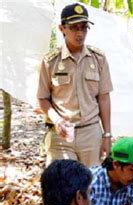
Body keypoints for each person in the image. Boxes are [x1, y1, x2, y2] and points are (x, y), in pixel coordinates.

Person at [38, 3, 112, 167]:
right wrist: (57, 120)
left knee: (90, 185)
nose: (80, 33)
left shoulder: (98, 59)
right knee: (62, 186)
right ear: (62, 28)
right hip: (61, 134)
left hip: (91, 133)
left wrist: (107, 134)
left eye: (84, 28)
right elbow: (43, 98)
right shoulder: (51, 61)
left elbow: (104, 98)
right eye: (74, 28)